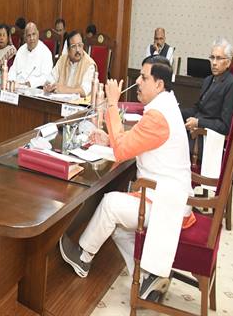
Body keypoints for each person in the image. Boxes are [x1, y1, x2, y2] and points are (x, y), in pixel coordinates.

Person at [59, 56, 194, 300]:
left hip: (167, 204)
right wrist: (110, 139)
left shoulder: (158, 116)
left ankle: (83, 257)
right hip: (167, 196)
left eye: (144, 77)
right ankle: (146, 279)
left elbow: (123, 151)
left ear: (159, 85)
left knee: (110, 205)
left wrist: (112, 103)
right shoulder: (165, 107)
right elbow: (137, 142)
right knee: (119, 228)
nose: (138, 82)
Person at [181, 38, 233, 160]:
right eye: (212, 57)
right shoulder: (208, 79)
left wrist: (198, 123)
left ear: (228, 63)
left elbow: (225, 126)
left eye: (219, 58)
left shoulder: (232, 84)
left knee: (172, 145)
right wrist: (175, 111)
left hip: (208, 139)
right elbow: (197, 109)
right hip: (196, 132)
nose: (214, 62)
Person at [44, 30, 96, 97]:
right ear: (68, 50)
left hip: (79, 102)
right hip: (59, 100)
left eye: (80, 45)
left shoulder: (89, 64)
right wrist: (49, 86)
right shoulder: (63, 59)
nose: (77, 50)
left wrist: (65, 90)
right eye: (73, 46)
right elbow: (51, 78)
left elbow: (84, 91)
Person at [7, 22, 53, 87]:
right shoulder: (21, 50)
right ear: (25, 37)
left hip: (34, 88)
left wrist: (30, 83)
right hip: (16, 87)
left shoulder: (46, 52)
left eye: (34, 34)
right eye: (29, 35)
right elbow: (13, 69)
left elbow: (46, 77)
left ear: (38, 34)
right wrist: (11, 80)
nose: (31, 38)